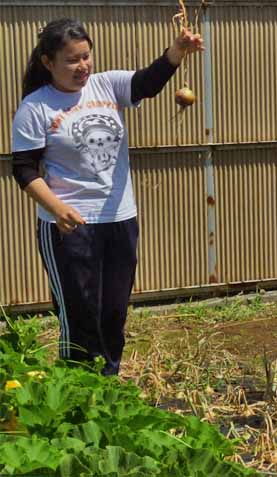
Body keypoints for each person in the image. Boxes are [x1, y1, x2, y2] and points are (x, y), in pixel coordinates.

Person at [11, 19, 203, 375]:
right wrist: (57, 208)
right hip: (68, 225)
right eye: (72, 60)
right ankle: (78, 388)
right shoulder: (36, 107)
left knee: (113, 313)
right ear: (48, 62)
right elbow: (24, 169)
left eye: (86, 56)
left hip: (119, 218)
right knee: (80, 314)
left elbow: (147, 82)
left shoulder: (107, 85)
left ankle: (109, 383)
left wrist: (176, 51)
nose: (82, 66)